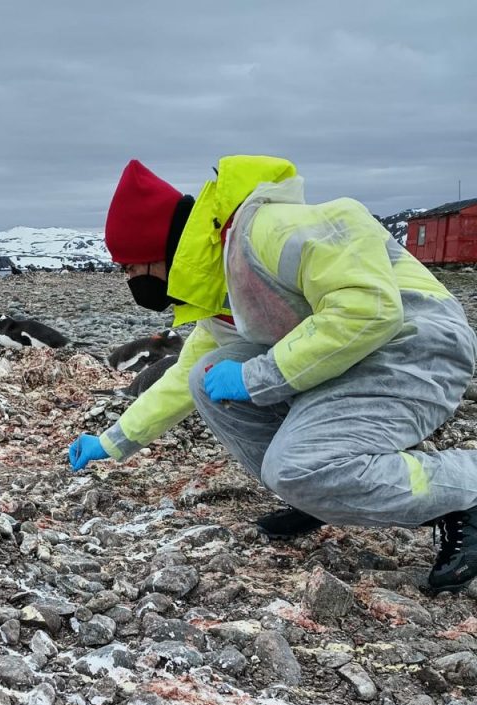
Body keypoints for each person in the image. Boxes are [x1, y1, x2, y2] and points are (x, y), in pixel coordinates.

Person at [68, 155, 477, 593]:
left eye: (131, 268)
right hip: (354, 357)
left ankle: (463, 490)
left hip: (413, 348)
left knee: (294, 463)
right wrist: (114, 439)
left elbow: (367, 310)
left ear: (158, 250)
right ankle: (315, 490)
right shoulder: (221, 282)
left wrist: (261, 375)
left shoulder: (268, 231)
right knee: (206, 375)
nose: (132, 281)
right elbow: (186, 373)